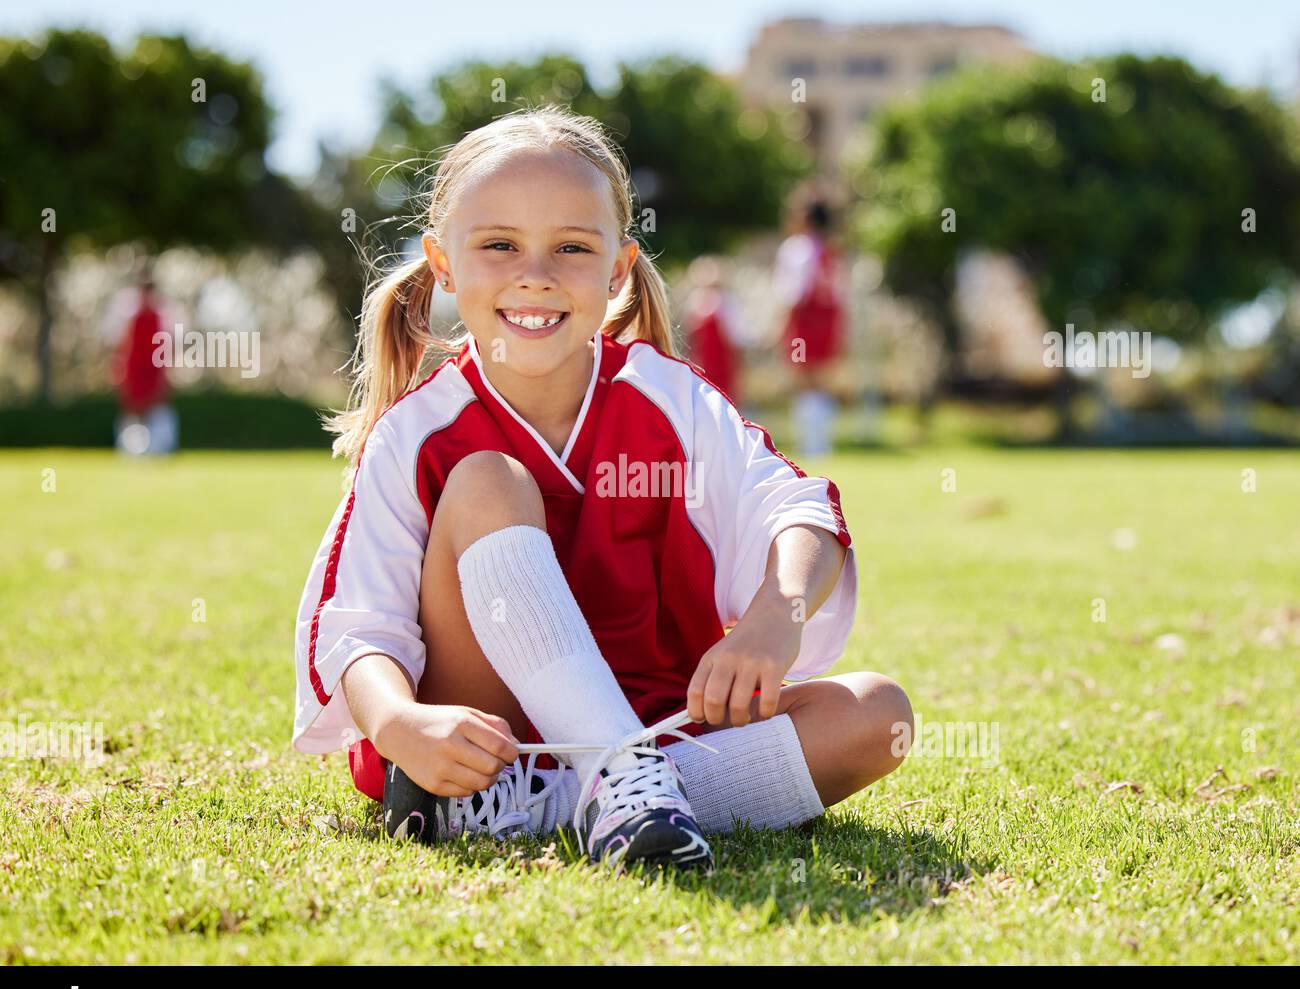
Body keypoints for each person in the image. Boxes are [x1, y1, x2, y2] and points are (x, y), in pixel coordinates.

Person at [292, 105, 912, 871]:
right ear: (442, 262)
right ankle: (606, 785)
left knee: (879, 714)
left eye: (571, 248)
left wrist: (771, 624)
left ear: (617, 268)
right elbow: (358, 626)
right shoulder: (418, 430)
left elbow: (797, 510)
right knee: (488, 480)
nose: (535, 274)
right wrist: (396, 727)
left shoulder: (669, 399)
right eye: (498, 245)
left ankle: (582, 801)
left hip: (660, 727)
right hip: (490, 741)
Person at [774, 192, 846, 457]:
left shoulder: (799, 248)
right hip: (827, 322)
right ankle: (821, 443)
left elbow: (794, 293)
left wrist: (782, 327)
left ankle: (810, 445)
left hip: (805, 323)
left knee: (804, 381)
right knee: (821, 382)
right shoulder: (832, 250)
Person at [110, 266, 178, 456]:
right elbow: (122, 345)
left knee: (157, 408)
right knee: (133, 409)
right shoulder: (129, 315)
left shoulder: (162, 315)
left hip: (154, 367)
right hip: (135, 367)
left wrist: (166, 372)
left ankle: (161, 447)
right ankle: (130, 449)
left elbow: (166, 345)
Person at [683, 255, 748, 406]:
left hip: (719, 361)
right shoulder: (698, 300)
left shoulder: (723, 301)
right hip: (706, 361)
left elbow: (733, 335)